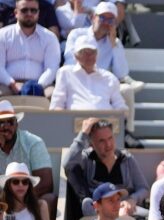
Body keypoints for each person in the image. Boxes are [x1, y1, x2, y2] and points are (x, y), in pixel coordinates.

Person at [64, 2, 143, 133]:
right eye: (102, 17)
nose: (106, 22)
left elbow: (121, 73)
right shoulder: (77, 34)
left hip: (104, 84)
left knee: (127, 90)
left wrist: (114, 44)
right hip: (79, 82)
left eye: (110, 19)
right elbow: (69, 63)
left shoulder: (114, 42)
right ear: (92, 18)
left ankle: (128, 133)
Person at [64, 117, 149, 218]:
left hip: (124, 211)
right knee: (73, 169)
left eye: (110, 138)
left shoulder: (126, 158)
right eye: (101, 141)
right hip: (96, 213)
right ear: (92, 144)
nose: (108, 144)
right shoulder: (87, 158)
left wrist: (132, 199)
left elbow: (143, 188)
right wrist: (83, 134)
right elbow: (68, 164)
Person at [0, 101, 55, 213]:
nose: (6, 127)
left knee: (49, 199)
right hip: (1, 204)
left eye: (10, 122)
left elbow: (46, 183)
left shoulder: (33, 143)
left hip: (29, 201)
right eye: (1, 123)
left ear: (16, 124)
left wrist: (17, 202)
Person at [50, 36, 128, 112]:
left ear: (97, 55)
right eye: (84, 52)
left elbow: (120, 106)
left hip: (104, 122)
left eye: (92, 52)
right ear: (76, 56)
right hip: (75, 121)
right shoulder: (65, 73)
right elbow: (56, 105)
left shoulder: (109, 78)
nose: (89, 56)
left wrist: (120, 116)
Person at [0, 0, 60, 96]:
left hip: (41, 84)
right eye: (24, 10)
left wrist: (37, 86)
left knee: (53, 95)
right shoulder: (2, 35)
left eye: (33, 10)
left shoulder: (50, 37)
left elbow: (52, 68)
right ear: (16, 13)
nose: (29, 13)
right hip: (7, 84)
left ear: (38, 13)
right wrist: (11, 83)